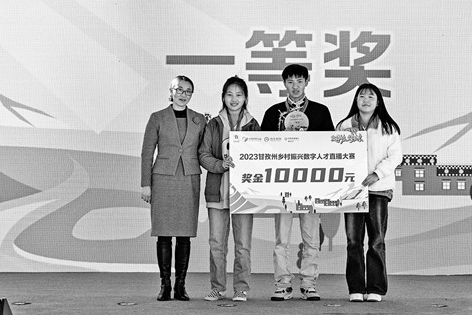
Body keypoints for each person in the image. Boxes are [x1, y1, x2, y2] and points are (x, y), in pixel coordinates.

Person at [260, 64, 334, 301]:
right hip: (282, 184)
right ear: (284, 84)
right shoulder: (273, 113)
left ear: (307, 82)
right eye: (290, 81)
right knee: (282, 239)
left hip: (310, 184)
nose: (295, 86)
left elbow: (331, 145)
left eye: (299, 81)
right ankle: (282, 283)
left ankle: (309, 283)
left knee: (311, 237)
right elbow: (261, 147)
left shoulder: (320, 111)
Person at [140, 75, 207, 301]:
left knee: (185, 235)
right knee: (164, 234)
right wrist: (145, 184)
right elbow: (147, 152)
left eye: (188, 91)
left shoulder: (199, 119)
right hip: (163, 180)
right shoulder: (157, 117)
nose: (183, 94)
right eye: (179, 89)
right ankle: (165, 285)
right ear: (171, 91)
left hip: (189, 179)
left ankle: (180, 285)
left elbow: (204, 151)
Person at [335, 82, 402, 302]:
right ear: (355, 100)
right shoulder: (344, 126)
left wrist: (377, 174)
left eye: (370, 97)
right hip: (352, 191)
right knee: (353, 240)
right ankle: (355, 288)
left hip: (378, 190)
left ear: (378, 102)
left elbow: (395, 157)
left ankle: (375, 288)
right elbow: (334, 154)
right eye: (361, 96)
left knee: (376, 240)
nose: (365, 100)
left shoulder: (388, 127)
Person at [198, 76, 260, 302]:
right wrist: (219, 165)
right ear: (223, 97)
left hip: (244, 194)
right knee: (217, 244)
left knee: (243, 245)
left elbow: (261, 156)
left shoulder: (253, 125)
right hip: (217, 191)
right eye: (229, 94)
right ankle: (218, 287)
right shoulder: (213, 124)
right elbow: (203, 154)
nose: (234, 99)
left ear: (245, 98)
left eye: (239, 95)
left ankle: (241, 288)